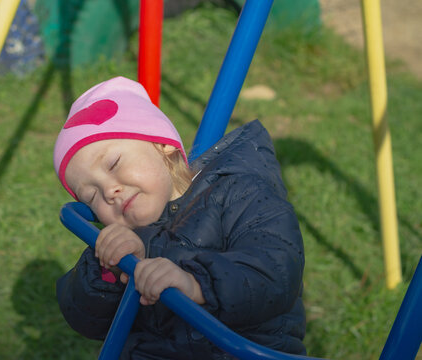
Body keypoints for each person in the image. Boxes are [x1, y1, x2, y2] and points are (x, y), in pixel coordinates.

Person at [53, 76, 306, 359]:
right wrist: (109, 269)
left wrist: (196, 284)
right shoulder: (124, 236)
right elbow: (84, 320)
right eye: (91, 196)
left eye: (114, 163)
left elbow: (276, 270)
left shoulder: (240, 193)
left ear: (163, 146)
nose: (110, 191)